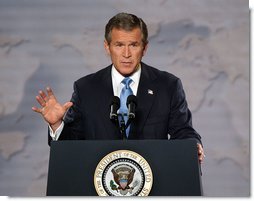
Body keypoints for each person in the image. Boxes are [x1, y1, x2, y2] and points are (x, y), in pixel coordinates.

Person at [32, 12, 205, 163]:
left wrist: (193, 146)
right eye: (119, 45)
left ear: (144, 48)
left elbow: (183, 131)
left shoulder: (168, 86)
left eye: (134, 45)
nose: (127, 54)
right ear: (107, 47)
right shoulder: (86, 88)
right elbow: (72, 146)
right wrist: (57, 125)